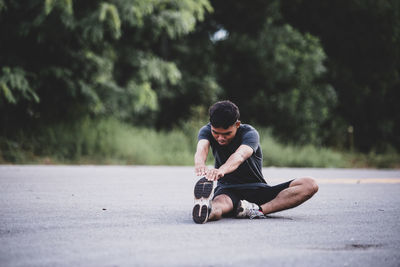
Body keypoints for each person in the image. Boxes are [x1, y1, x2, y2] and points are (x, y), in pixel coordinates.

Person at [192, 100, 319, 224]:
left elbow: (240, 155)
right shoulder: (206, 130)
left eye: (226, 134)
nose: (220, 138)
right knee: (219, 205)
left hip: (258, 189)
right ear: (211, 125)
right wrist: (200, 164)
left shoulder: (249, 133)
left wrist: (221, 170)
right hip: (227, 190)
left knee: (310, 184)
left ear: (237, 125)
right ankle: (207, 210)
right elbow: (202, 148)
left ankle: (256, 210)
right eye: (216, 133)